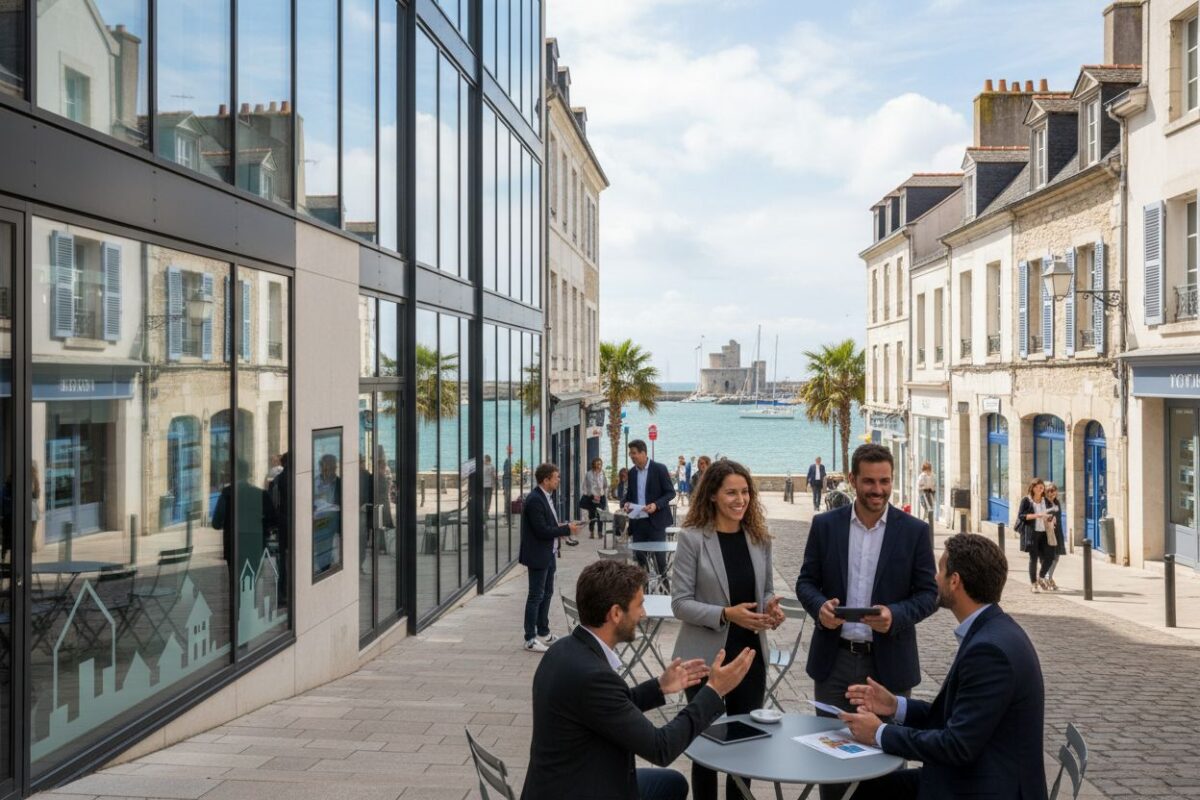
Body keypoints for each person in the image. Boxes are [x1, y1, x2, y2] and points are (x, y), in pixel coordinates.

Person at [521, 559, 757, 800]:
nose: (643, 614)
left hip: (566, 780)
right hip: (581, 789)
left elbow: (609, 707)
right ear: (616, 613)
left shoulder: (563, 649)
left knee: (672, 784)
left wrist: (659, 687)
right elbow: (661, 748)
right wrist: (714, 690)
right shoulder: (593, 676)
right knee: (670, 783)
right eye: (639, 605)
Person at [839, 534, 1047, 800]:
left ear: (955, 581)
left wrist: (879, 733)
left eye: (940, 570)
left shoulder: (989, 652)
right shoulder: (993, 629)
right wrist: (894, 706)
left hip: (984, 787)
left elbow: (956, 746)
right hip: (975, 774)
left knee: (869, 791)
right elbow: (958, 717)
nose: (935, 578)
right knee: (870, 788)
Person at [795, 443, 938, 800]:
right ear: (853, 479)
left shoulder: (915, 531)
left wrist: (896, 615)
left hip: (888, 666)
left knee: (886, 764)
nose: (878, 490)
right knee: (829, 761)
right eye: (870, 481)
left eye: (885, 481)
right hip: (834, 663)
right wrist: (820, 608)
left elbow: (929, 594)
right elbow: (806, 582)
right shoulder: (825, 525)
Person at [672, 459, 785, 800]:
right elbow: (680, 603)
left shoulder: (759, 539)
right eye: (731, 493)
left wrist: (770, 611)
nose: (741, 500)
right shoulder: (692, 539)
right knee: (706, 747)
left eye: (745, 492)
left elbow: (764, 592)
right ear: (712, 495)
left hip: (749, 657)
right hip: (702, 660)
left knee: (744, 745)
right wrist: (726, 614)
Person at [519, 463, 582, 652]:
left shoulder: (546, 497)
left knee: (547, 593)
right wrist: (566, 529)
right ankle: (530, 639)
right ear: (546, 480)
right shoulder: (535, 500)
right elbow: (542, 530)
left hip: (549, 553)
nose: (558, 480)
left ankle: (543, 632)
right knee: (535, 595)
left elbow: (549, 524)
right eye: (556, 477)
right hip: (538, 555)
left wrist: (564, 526)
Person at [623, 440, 677, 586]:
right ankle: (644, 591)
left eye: (634, 453)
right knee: (640, 560)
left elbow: (670, 493)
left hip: (656, 523)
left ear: (643, 453)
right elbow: (629, 495)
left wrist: (656, 505)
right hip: (638, 522)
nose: (631, 456)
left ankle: (664, 589)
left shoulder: (659, 469)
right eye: (630, 454)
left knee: (660, 560)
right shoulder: (632, 473)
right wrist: (625, 503)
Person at [1017, 477, 1054, 593]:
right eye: (1038, 487)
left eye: (1042, 487)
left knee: (1050, 556)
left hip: (1045, 533)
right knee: (1033, 558)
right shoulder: (1026, 500)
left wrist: (1052, 518)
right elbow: (1021, 516)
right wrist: (1037, 515)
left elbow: (1051, 513)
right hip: (1032, 533)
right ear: (1033, 488)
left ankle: (1041, 577)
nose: (1040, 489)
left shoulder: (1046, 501)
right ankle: (1034, 584)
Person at [1043, 482, 1065, 590]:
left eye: (1054, 492)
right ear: (1046, 493)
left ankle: (1048, 577)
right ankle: (1048, 578)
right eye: (1049, 492)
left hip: (1057, 533)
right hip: (1047, 534)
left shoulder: (1057, 502)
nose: (1052, 494)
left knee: (1056, 556)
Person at [580, 457, 608, 539]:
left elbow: (605, 485)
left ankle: (600, 532)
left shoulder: (602, 473)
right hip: (592, 498)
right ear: (594, 465)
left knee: (600, 515)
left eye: (600, 464)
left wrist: (603, 495)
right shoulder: (589, 474)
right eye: (597, 464)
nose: (599, 465)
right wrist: (592, 495)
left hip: (601, 497)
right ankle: (591, 532)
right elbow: (585, 487)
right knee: (592, 515)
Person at [482, 454, 496, 519]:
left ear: (487, 459)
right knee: (486, 501)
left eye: (484, 459)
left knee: (487, 501)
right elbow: (494, 476)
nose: (483, 460)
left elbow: (494, 476)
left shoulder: (491, 467)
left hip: (488, 486)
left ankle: (486, 513)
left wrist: (494, 484)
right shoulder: (490, 466)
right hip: (484, 486)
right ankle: (485, 514)